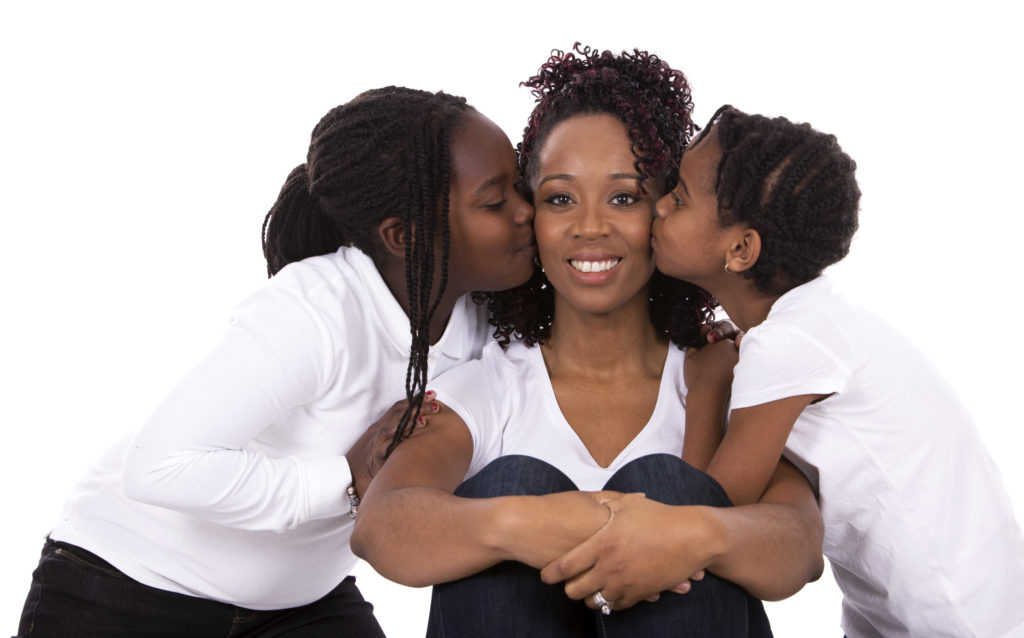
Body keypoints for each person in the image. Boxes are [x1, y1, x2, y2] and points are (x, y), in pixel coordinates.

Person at [16, 86, 537, 637]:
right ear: (404, 236)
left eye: (520, 187)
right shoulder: (316, 312)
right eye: (495, 201)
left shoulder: (487, 321)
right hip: (127, 587)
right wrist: (348, 481)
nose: (526, 210)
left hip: (301, 604)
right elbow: (158, 467)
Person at [351, 46, 824, 637]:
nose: (590, 226)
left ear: (668, 211)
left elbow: (799, 546)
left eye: (624, 197)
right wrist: (527, 523)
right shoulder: (492, 383)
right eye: (560, 198)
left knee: (668, 485)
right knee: (512, 480)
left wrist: (685, 533)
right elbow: (381, 527)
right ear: (531, 216)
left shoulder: (720, 372)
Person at [649, 105, 1024, 637]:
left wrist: (708, 384)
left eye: (679, 198)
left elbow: (714, 508)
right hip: (908, 608)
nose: (660, 205)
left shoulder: (789, 341)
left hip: (954, 619)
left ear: (739, 249)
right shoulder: (805, 325)